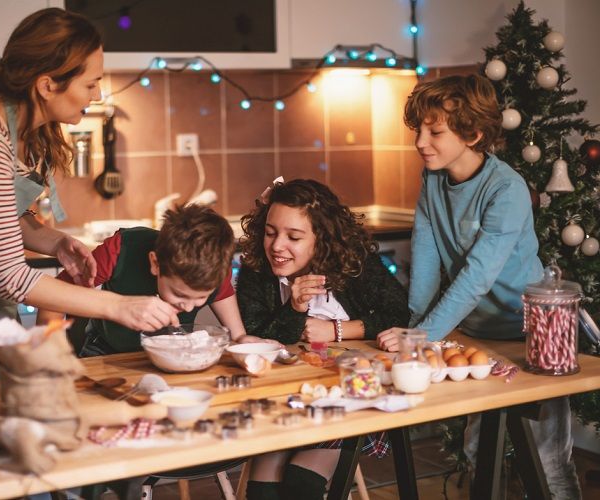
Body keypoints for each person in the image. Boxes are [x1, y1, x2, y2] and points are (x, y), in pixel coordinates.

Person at [0, 8, 179, 392]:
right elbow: (9, 275)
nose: (97, 94)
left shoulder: (28, 130)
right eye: (91, 84)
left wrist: (56, 242)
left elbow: (3, 217)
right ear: (46, 85)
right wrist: (119, 306)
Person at [377, 74, 581, 499]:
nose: (420, 141)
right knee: (477, 448)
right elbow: (427, 252)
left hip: (534, 334)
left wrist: (422, 336)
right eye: (419, 130)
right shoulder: (434, 178)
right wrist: (416, 330)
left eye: (435, 131)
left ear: (473, 134)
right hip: (481, 336)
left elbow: (475, 276)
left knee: (548, 462)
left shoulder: (505, 189)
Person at [236, 178, 409, 499]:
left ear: (322, 238)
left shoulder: (353, 262)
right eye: (271, 232)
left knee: (300, 484)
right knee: (263, 490)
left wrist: (337, 331)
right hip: (283, 397)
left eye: (294, 237)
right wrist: (294, 308)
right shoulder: (257, 268)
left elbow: (399, 315)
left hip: (348, 393)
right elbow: (255, 338)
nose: (276, 246)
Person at [37, 204, 267, 355]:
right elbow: (54, 294)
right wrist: (48, 354)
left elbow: (229, 312)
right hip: (106, 352)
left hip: (168, 356)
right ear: (155, 263)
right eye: (179, 294)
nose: (187, 306)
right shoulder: (121, 250)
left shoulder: (215, 265)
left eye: (200, 298)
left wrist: (240, 338)